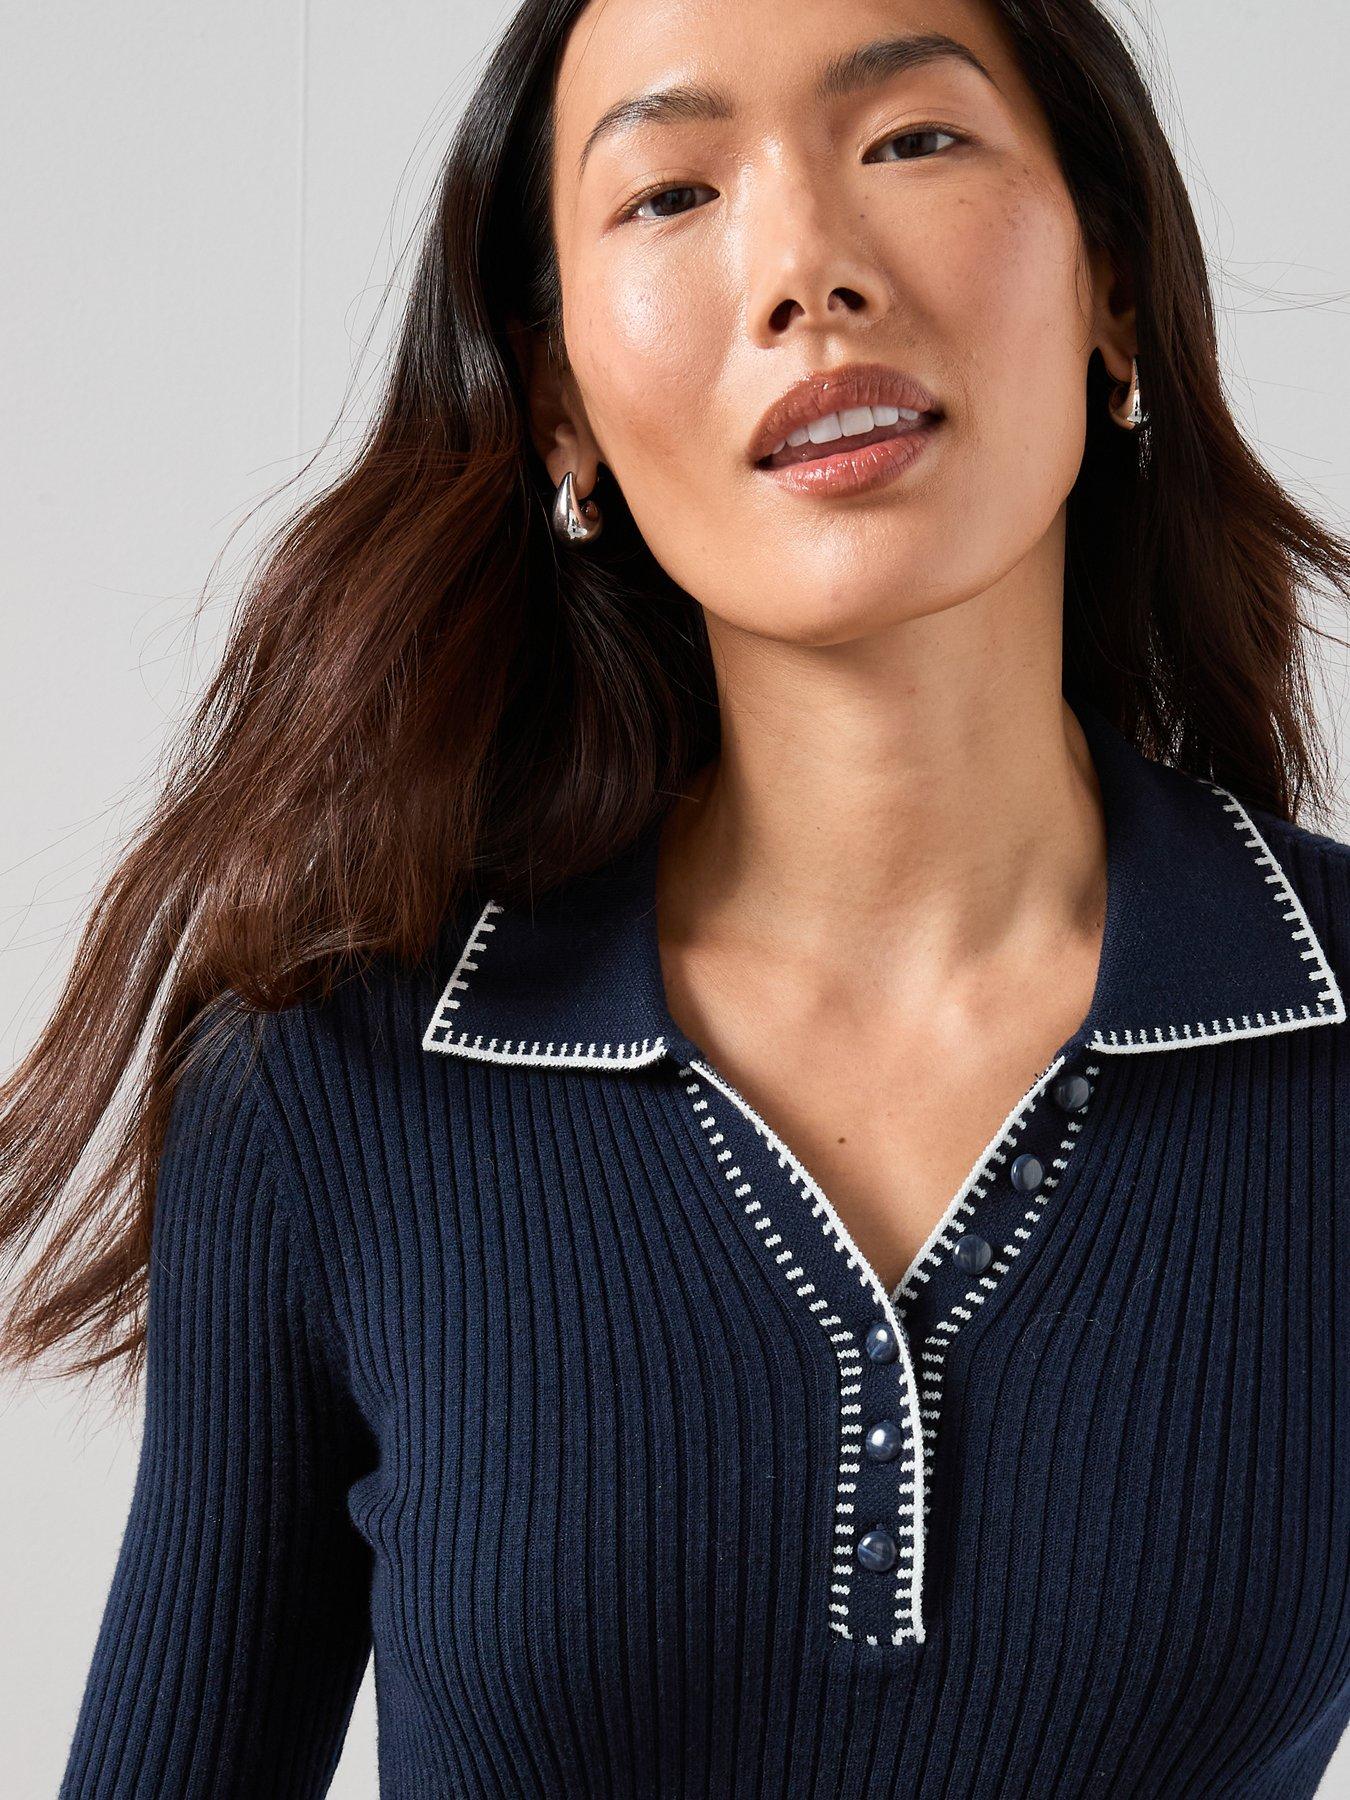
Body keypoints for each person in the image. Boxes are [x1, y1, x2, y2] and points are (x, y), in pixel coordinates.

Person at [5, 0, 1350, 1794]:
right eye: (671, 193)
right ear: (558, 403)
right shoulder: (326, 1089)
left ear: (1111, 283)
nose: (804, 270)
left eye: (910, 140)